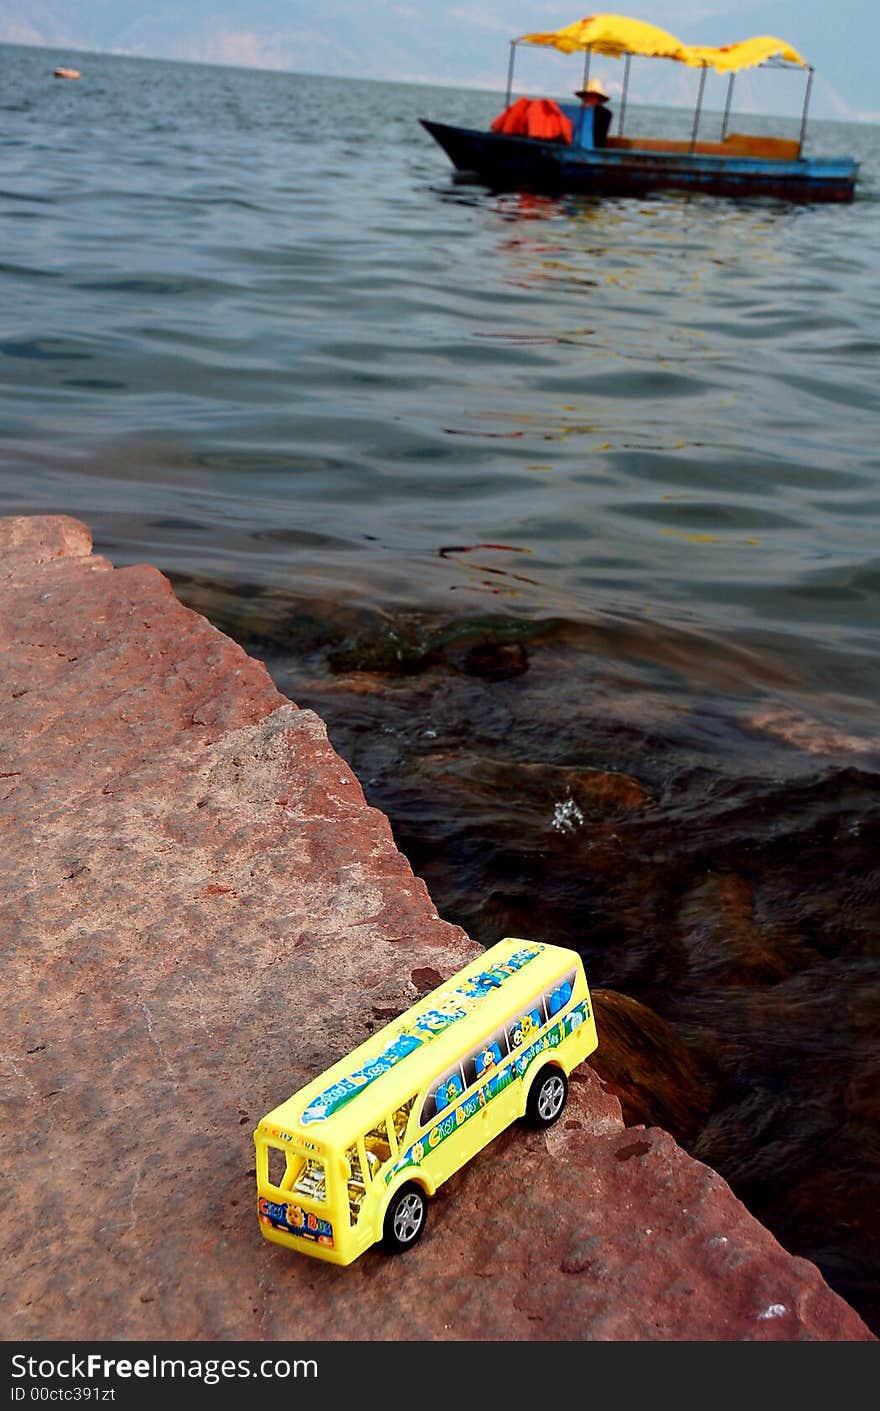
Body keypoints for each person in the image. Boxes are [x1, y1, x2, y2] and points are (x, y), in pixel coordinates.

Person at [574, 78, 612, 146]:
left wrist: (588, 111)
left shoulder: (605, 114)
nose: (588, 98)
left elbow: (598, 137)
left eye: (592, 96)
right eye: (587, 95)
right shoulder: (577, 112)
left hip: (596, 149)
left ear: (598, 98)